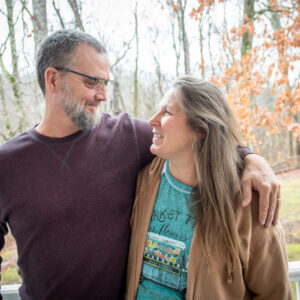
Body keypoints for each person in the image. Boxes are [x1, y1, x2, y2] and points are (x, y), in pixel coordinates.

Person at [0, 30, 280, 300]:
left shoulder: (128, 137)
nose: (102, 95)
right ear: (53, 80)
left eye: (105, 83)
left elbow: (201, 135)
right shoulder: (7, 164)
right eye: (91, 82)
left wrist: (251, 157)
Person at [126, 77, 292, 300]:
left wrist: (252, 158)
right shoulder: (143, 180)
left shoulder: (248, 202)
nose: (152, 120)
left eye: (167, 112)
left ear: (200, 129)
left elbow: (275, 294)